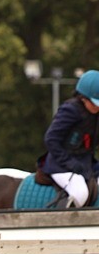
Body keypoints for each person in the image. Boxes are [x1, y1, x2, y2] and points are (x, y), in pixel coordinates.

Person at [42, 69, 99, 208]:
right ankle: (62, 224)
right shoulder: (70, 110)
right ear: (83, 98)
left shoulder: (96, 114)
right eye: (95, 103)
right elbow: (51, 139)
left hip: (85, 162)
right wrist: (70, 163)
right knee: (80, 193)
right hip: (61, 165)